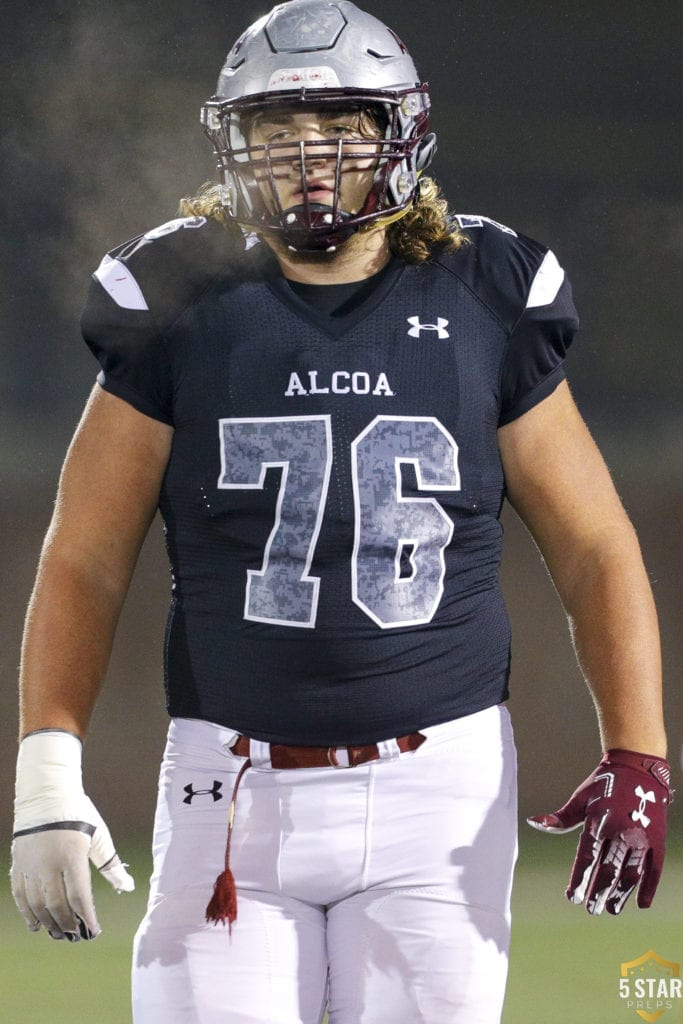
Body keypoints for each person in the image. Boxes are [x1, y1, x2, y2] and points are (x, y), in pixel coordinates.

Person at [11, 2, 671, 1022]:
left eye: (340, 125)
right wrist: (48, 761)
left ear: (398, 135)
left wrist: (636, 747)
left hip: (438, 791)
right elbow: (86, 555)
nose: (307, 156)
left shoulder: (483, 290)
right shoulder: (181, 294)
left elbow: (591, 544)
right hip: (228, 787)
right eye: (276, 128)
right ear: (234, 141)